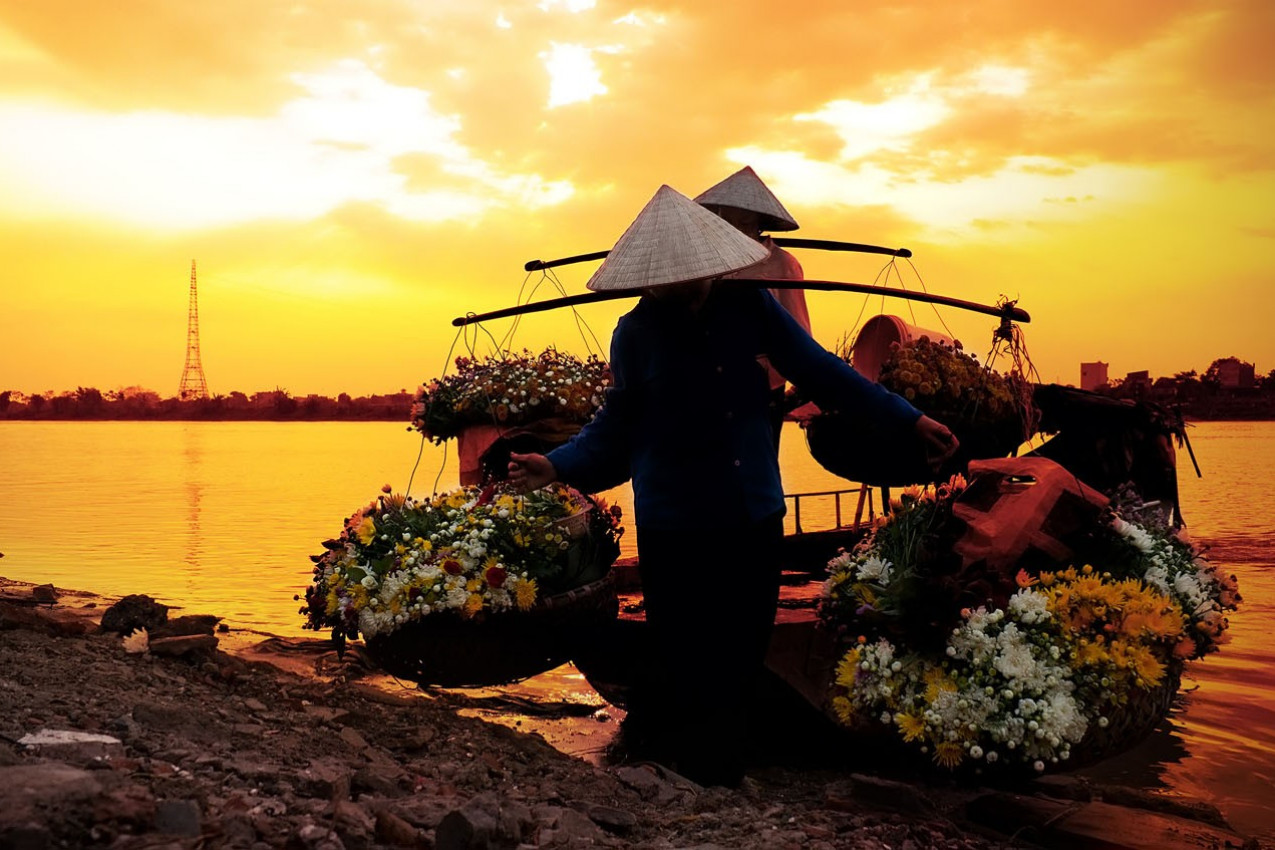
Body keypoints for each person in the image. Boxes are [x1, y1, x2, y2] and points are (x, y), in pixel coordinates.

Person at [508, 185, 958, 788]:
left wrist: (908, 419)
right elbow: (615, 427)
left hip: (751, 511)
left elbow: (822, 371)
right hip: (673, 518)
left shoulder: (751, 309)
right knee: (685, 650)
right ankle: (691, 770)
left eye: (692, 275)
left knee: (743, 646)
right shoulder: (636, 332)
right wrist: (557, 466)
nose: (683, 287)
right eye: (669, 280)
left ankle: (726, 767)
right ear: (651, 278)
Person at [696, 166, 809, 453]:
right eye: (726, 221)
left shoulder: (783, 265)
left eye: (743, 222)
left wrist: (765, 373)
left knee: (758, 460)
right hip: (706, 383)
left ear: (757, 224)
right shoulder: (708, 262)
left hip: (762, 389)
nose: (734, 229)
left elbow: (799, 335)